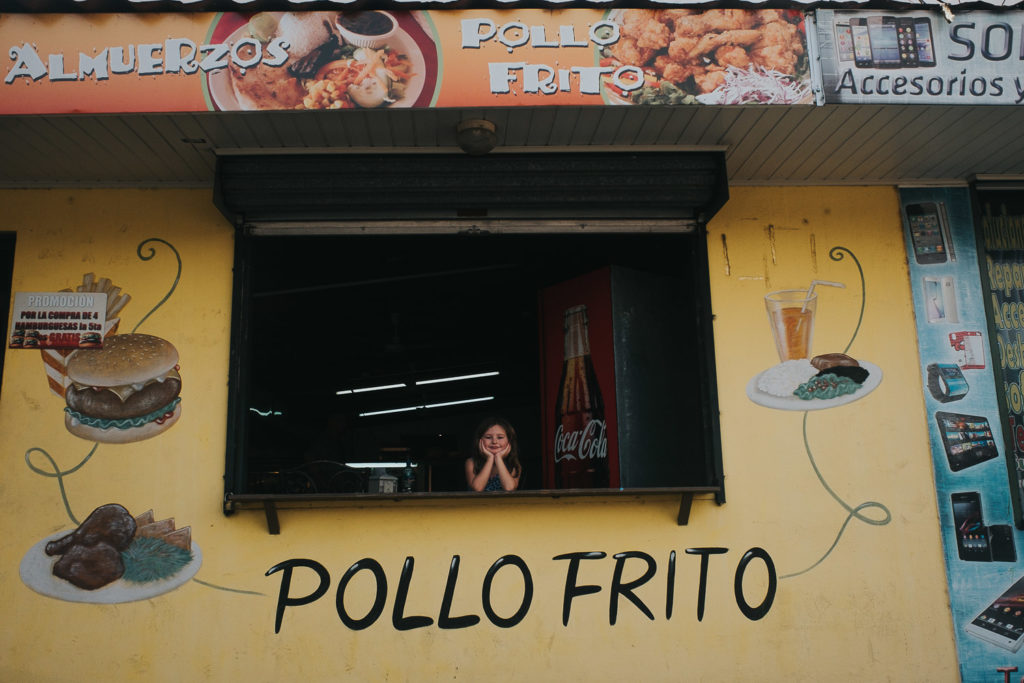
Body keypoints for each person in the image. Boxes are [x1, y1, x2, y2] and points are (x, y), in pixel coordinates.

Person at [465, 417, 522, 492]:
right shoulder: (471, 462)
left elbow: (509, 488)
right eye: (488, 437)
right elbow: (477, 489)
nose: (494, 441)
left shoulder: (513, 464)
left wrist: (498, 459)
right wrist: (490, 459)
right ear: (480, 441)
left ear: (509, 441)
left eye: (500, 437)